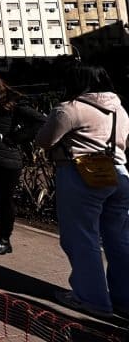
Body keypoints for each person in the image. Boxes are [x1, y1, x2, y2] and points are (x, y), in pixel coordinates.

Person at [35, 65, 129, 319]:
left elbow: (45, 140)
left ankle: (91, 299)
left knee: (82, 237)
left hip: (82, 174)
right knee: (118, 239)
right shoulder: (120, 109)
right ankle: (124, 299)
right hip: (118, 173)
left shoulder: (69, 108)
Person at [0, 70, 46, 255]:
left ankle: (4, 239)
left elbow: (41, 121)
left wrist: (15, 138)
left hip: (5, 159)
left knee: (3, 201)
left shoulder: (11, 102)